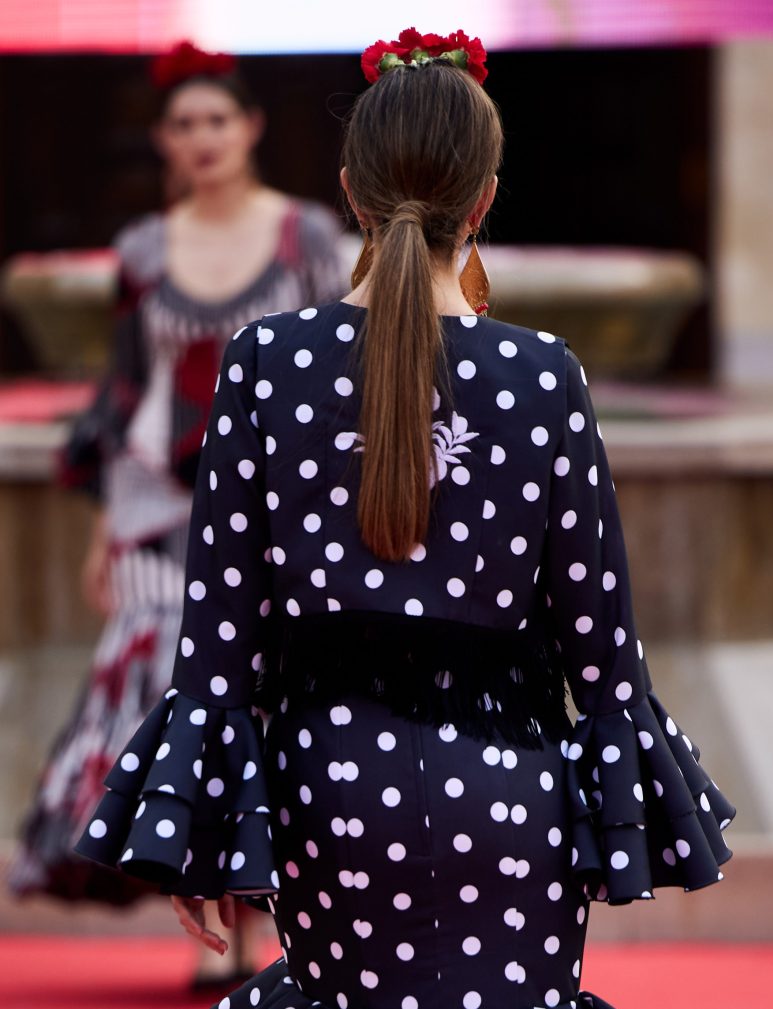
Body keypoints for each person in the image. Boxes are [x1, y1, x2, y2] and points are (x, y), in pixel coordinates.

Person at [75, 28, 735, 1009]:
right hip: (514, 795)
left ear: (350, 193)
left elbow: (217, 638)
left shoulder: (264, 363)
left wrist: (197, 831)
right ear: (484, 201)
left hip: (326, 789)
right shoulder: (544, 373)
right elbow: (600, 650)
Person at [8, 40, 346, 992]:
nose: (202, 138)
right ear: (162, 138)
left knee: (269, 701)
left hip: (278, 511)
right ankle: (212, 933)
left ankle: (268, 927)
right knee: (172, 703)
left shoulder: (309, 238)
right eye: (184, 124)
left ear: (252, 128)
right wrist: (100, 530)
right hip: (160, 513)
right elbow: (122, 393)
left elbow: (336, 380)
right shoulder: (143, 250)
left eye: (218, 120)